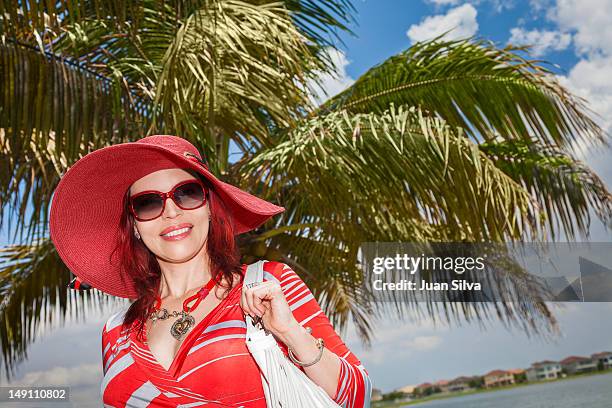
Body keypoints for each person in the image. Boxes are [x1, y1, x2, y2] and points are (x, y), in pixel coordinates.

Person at [49, 135, 372, 407]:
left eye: (187, 194)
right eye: (148, 203)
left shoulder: (270, 282)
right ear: (133, 225)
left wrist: (290, 333)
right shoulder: (115, 329)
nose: (171, 212)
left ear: (209, 207)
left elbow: (355, 396)